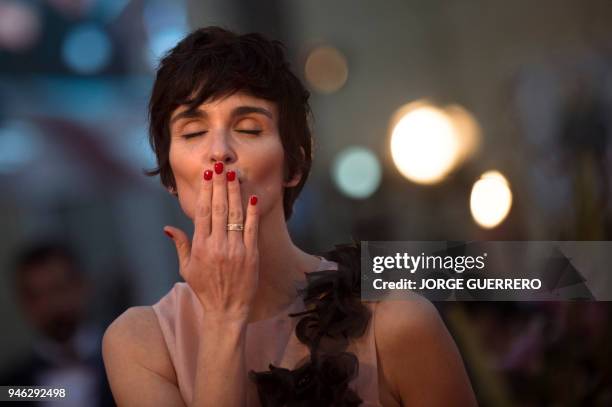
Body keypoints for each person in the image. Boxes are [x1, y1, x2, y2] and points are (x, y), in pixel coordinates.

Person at [102, 26, 477, 406]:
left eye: (248, 128)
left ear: (294, 164)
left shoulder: (398, 323)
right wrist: (224, 315)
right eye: (194, 131)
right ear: (169, 173)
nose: (219, 151)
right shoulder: (141, 342)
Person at [1, 242, 115, 407]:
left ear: (83, 286)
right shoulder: (10, 386)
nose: (50, 304)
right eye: (36, 296)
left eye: (58, 289)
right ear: (23, 304)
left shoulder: (128, 359)